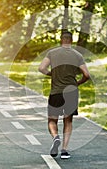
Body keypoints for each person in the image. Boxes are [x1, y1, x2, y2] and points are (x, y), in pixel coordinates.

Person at [38, 31, 90, 159]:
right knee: (68, 120)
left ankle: (56, 137)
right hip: (71, 92)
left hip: (56, 92)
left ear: (61, 40)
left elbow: (41, 68)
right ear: (71, 41)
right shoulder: (77, 55)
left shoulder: (52, 53)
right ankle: (65, 151)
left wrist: (52, 74)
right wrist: (78, 83)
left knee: (52, 120)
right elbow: (86, 75)